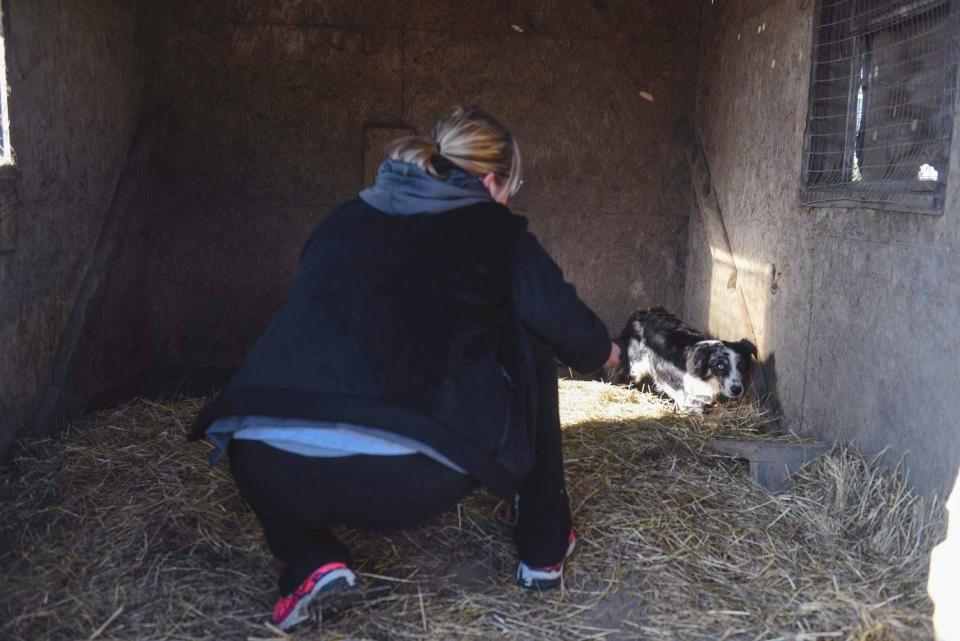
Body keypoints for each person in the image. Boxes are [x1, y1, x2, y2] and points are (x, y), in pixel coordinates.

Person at [190, 105, 620, 631]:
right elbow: (569, 328)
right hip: (408, 477)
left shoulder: (343, 218)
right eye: (514, 185)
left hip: (266, 464)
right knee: (531, 336)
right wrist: (609, 355)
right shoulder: (493, 230)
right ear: (491, 183)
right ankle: (543, 545)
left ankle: (308, 560)